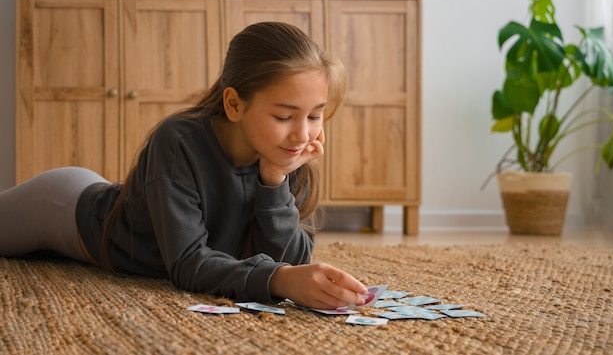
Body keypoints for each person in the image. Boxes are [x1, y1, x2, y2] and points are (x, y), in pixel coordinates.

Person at [0, 21, 368, 310]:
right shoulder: (178, 141)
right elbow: (188, 263)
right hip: (65, 210)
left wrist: (274, 182)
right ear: (235, 104)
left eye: (316, 116)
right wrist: (279, 281)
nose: (302, 134)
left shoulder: (287, 154)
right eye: (285, 116)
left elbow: (290, 260)